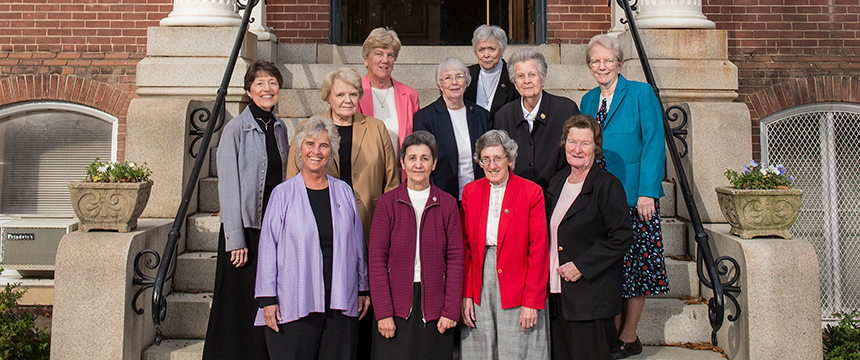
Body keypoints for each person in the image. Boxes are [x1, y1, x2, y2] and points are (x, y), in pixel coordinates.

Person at [579, 34, 668, 359]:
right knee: (610, 269)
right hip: (600, 199)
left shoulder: (641, 93)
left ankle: (629, 336)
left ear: (620, 62)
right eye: (595, 61)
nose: (602, 66)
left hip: (633, 197)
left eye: (607, 60)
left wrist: (647, 191)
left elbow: (653, 142)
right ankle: (612, 334)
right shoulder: (588, 100)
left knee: (636, 269)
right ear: (589, 67)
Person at [255, 115, 371, 360]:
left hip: (340, 301)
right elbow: (268, 248)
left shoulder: (344, 191)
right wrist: (267, 299)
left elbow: (358, 245)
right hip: (294, 304)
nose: (316, 151)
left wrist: (363, 287)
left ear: (332, 153)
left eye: (324, 145)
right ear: (299, 149)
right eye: (310, 144)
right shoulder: (282, 194)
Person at [203, 60, 289, 360]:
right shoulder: (235, 129)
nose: (267, 89)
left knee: (263, 300)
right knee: (237, 303)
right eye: (260, 83)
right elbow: (227, 187)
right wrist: (235, 239)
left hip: (271, 230)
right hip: (245, 231)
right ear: (249, 90)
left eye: (272, 83)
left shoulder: (279, 127)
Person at [368, 131, 464, 360]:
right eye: (412, 158)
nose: (418, 164)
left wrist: (451, 309)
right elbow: (377, 260)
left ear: (434, 163)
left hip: (435, 308)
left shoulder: (448, 204)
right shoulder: (387, 203)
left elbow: (456, 258)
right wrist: (383, 313)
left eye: (425, 158)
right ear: (402, 162)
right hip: (396, 304)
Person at [545, 114, 634, 360]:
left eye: (585, 143)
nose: (577, 149)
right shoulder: (558, 181)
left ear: (596, 147)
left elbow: (622, 236)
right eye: (572, 142)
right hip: (558, 296)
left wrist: (582, 266)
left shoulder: (607, 185)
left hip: (590, 299)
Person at [460, 129, 550, 360]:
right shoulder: (471, 192)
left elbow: (539, 250)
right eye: (486, 159)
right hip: (480, 280)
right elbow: (466, 248)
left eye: (498, 158)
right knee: (480, 347)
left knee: (518, 349)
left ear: (510, 159)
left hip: (518, 282)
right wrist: (466, 294)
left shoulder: (531, 192)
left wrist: (531, 301)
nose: (492, 165)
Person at [286, 66, 399, 243]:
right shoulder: (307, 128)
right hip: (320, 223)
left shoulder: (377, 128)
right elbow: (292, 179)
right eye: (340, 95)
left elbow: (392, 181)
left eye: (353, 94)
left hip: (368, 221)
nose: (348, 100)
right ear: (328, 97)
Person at [494, 48, 580, 190]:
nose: (526, 81)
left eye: (532, 74)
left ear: (543, 78)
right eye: (520, 76)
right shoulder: (503, 116)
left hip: (558, 196)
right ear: (514, 83)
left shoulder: (566, 109)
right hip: (517, 198)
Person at [414, 57, 492, 200]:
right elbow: (424, 162)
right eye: (447, 78)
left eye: (459, 77)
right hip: (442, 198)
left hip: (479, 197)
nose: (454, 82)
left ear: (467, 81)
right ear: (439, 84)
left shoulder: (482, 116)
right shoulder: (425, 118)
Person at [357, 27, 421, 158]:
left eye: (390, 55)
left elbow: (416, 141)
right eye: (379, 54)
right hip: (367, 173)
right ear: (365, 59)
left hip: (401, 174)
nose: (385, 60)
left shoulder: (410, 95)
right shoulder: (354, 95)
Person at [464, 25, 519, 119]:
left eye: (492, 49)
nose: (486, 55)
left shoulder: (513, 76)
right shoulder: (466, 75)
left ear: (502, 51)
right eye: (481, 50)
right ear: (476, 53)